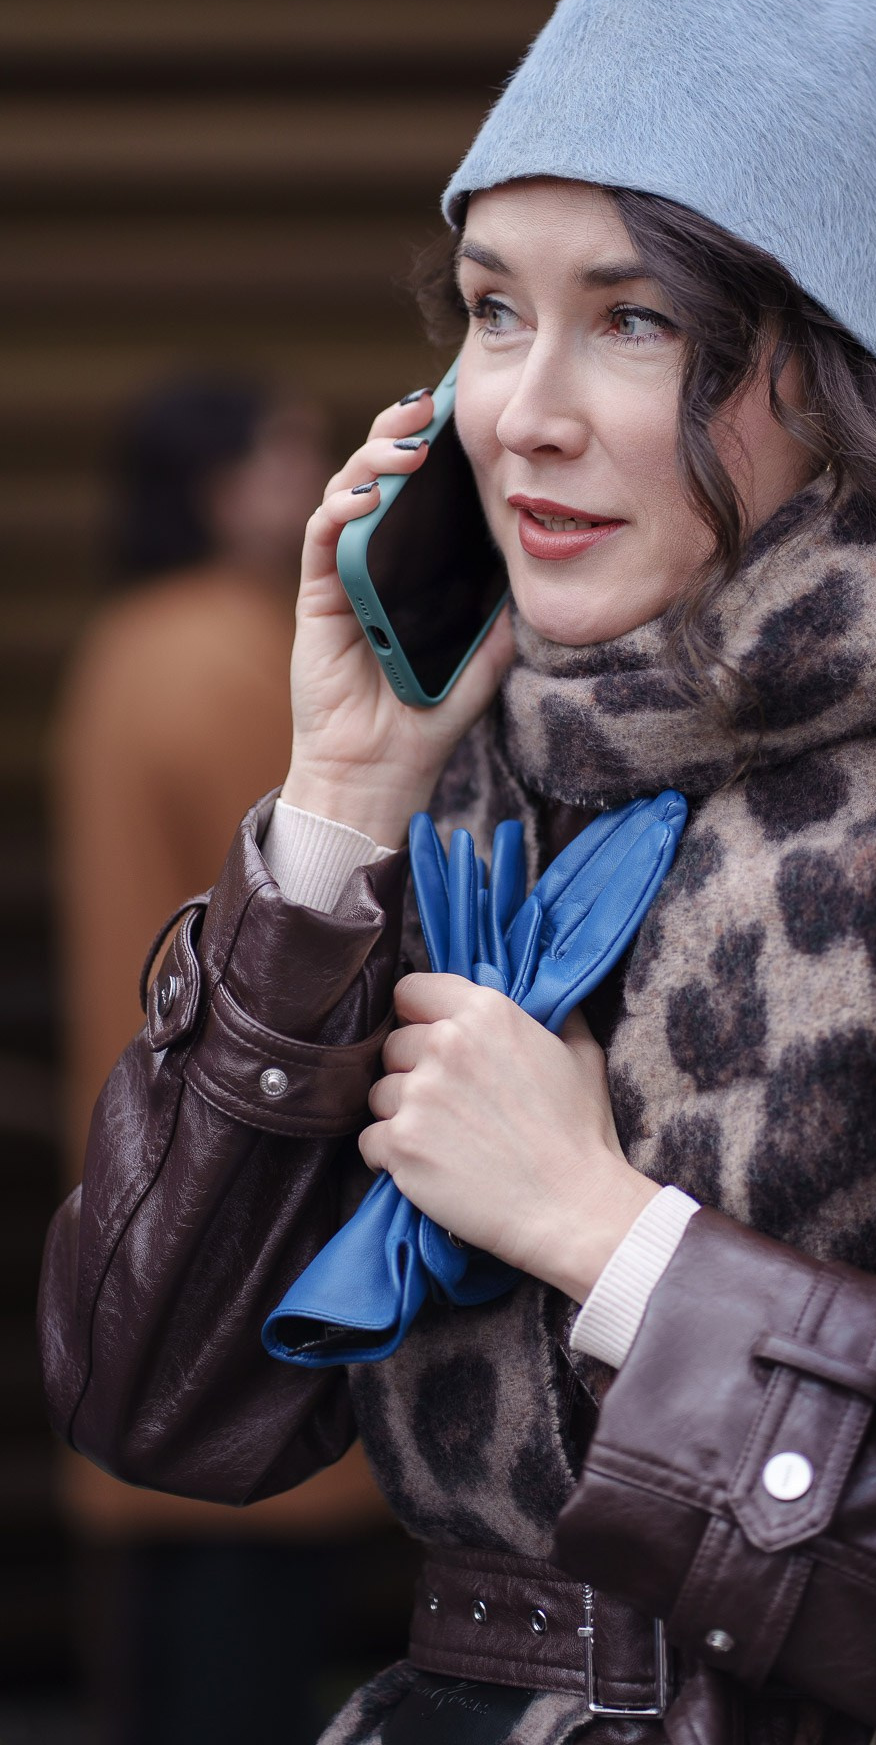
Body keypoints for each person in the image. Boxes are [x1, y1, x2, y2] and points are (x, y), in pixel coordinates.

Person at [38, 0, 876, 1745]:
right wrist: (336, 817)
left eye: (630, 320)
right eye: (492, 309)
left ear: (834, 366)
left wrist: (618, 1243)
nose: (521, 412)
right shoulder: (468, 762)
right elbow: (153, 1404)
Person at [51, 375, 393, 1745]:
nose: (317, 472)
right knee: (238, 1589)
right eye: (288, 451)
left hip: (154, 1142)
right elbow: (326, 888)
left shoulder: (132, 638)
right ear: (216, 485)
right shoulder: (226, 652)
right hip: (240, 1143)